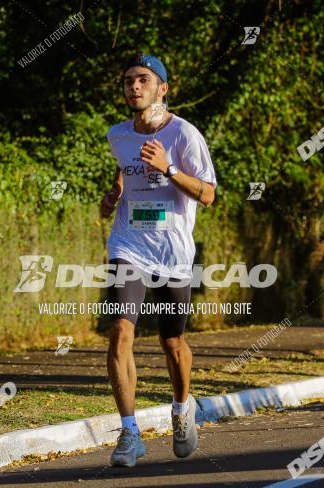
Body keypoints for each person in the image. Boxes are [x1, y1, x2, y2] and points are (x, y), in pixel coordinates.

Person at [99, 53, 217, 466]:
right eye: (129, 80)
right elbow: (123, 169)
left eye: (143, 80)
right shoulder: (118, 134)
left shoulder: (185, 135)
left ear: (162, 88)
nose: (134, 86)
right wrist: (114, 193)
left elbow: (207, 194)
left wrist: (168, 169)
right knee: (120, 331)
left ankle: (182, 409)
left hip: (173, 252)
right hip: (128, 245)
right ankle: (129, 433)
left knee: (172, 342)